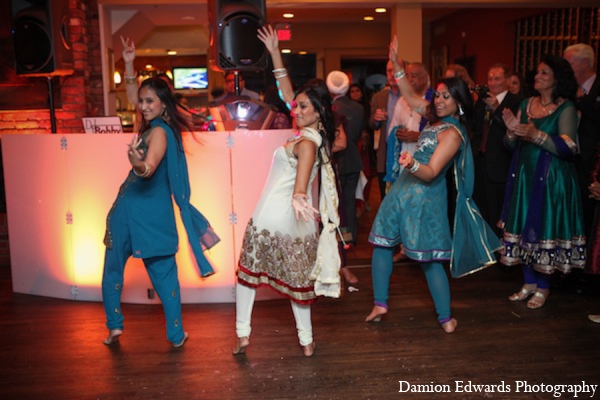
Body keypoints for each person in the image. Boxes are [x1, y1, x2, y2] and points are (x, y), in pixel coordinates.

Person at [365, 37, 501, 333]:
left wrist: (411, 163)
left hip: (425, 197)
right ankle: (380, 302)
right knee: (381, 244)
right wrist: (397, 63)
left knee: (429, 259)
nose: (438, 101)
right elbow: (410, 96)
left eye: (445, 97)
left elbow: (431, 173)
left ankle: (445, 318)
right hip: (401, 190)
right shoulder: (434, 119)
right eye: (437, 95)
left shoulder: (453, 133)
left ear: (459, 103)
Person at [233, 25, 342, 357]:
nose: (297, 109)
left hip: (276, 214)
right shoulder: (312, 135)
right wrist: (276, 53)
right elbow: (287, 93)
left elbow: (302, 180)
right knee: (298, 286)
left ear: (319, 112)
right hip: (296, 219)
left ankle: (242, 334)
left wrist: (298, 196)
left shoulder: (308, 142)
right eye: (298, 106)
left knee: (247, 276)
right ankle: (306, 342)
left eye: (304, 107)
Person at [102, 77, 220, 347]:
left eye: (149, 101)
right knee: (165, 279)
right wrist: (130, 67)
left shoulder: (159, 133)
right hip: (151, 216)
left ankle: (114, 326)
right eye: (141, 101)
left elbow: (148, 168)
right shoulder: (158, 129)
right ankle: (176, 336)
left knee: (112, 270)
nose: (142, 106)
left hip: (131, 212)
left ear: (164, 104)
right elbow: (134, 96)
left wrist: (137, 164)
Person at [500, 55, 586, 309]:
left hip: (552, 180)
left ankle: (543, 287)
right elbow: (508, 144)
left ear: (557, 79)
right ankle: (527, 283)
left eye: (544, 73)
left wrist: (536, 135)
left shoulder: (565, 108)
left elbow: (569, 147)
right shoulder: (526, 104)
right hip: (524, 177)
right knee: (524, 226)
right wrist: (512, 131)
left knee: (543, 228)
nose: (537, 76)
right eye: (537, 72)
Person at [471, 64, 523, 238]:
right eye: (490, 78)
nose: (492, 82)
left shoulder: (516, 101)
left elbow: (513, 131)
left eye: (497, 78)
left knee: (498, 209)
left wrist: (496, 108)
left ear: (508, 81)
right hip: (481, 161)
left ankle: (501, 249)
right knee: (482, 207)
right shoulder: (482, 100)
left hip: (501, 163)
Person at [564, 43, 600, 241]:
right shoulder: (567, 91)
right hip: (571, 162)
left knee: (590, 218)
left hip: (593, 165)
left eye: (570, 63)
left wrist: (582, 99)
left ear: (585, 63)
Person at [369, 61, 402, 200]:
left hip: (406, 149)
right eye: (389, 71)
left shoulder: (410, 96)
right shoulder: (379, 97)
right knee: (386, 198)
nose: (392, 74)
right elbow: (371, 124)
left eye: (395, 70)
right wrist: (376, 119)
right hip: (386, 151)